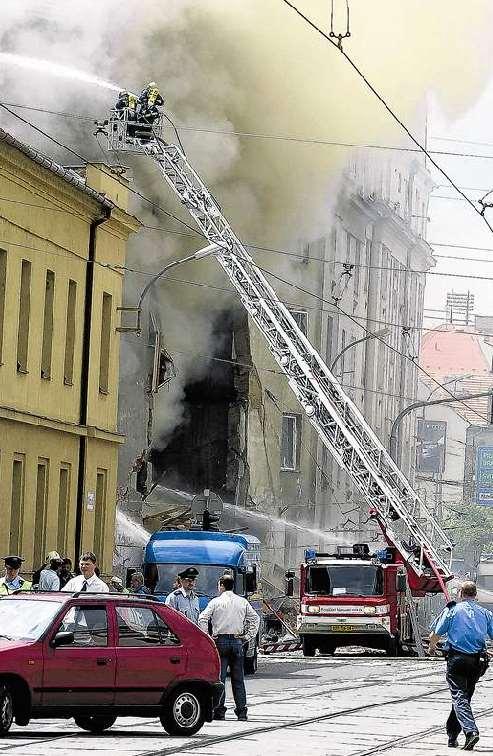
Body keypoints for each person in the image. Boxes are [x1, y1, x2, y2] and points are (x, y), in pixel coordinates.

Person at [429, 581, 493, 750]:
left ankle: (471, 732)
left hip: (457, 660)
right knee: (462, 698)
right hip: (477, 663)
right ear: (475, 595)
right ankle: (452, 736)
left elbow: (436, 634)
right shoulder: (485, 613)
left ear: (460, 594)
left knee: (459, 697)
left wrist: (431, 648)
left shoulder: (452, 610)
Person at [198, 574, 260, 721]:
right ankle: (242, 711)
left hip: (220, 641)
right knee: (238, 679)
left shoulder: (216, 602)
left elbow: (202, 618)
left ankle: (219, 710)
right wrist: (247, 636)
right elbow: (255, 619)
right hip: (237, 642)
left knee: (220, 679)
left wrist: (207, 636)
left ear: (221, 585)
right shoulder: (242, 602)